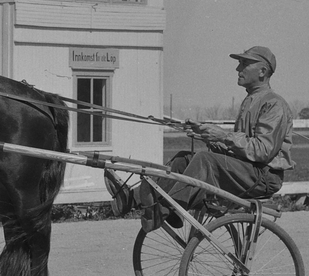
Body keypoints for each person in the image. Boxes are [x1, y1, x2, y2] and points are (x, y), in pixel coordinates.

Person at [109, 46, 295, 224]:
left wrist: (222, 136)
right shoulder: (250, 101)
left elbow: (262, 151)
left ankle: (170, 208)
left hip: (264, 177)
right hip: (248, 171)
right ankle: (132, 198)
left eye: (244, 63)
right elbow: (240, 151)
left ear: (262, 71)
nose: (238, 68)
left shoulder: (274, 104)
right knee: (183, 159)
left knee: (204, 160)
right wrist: (208, 137)